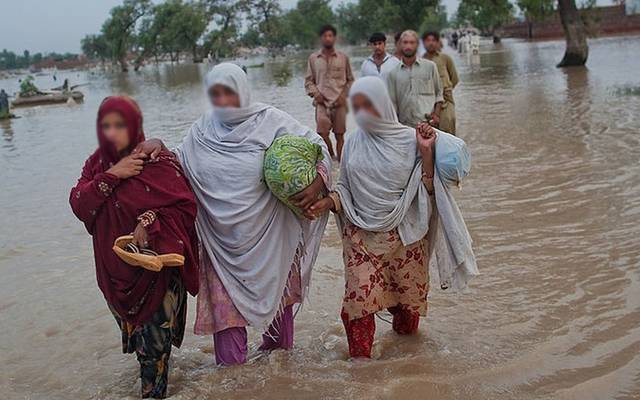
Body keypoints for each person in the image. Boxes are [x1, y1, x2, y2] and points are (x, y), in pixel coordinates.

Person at [134, 63, 332, 366]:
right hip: (220, 246)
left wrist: (319, 182)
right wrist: (159, 146)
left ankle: (281, 380)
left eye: (229, 92)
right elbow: (177, 165)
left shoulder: (271, 120)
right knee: (229, 355)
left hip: (270, 238)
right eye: (215, 93)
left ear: (242, 91)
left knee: (280, 346)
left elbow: (317, 146)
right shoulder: (201, 130)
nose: (222, 100)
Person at [69, 96, 199, 399]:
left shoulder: (158, 160)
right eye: (106, 126)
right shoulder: (97, 163)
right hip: (115, 273)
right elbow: (79, 204)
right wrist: (114, 175)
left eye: (120, 125)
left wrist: (150, 221)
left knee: (154, 351)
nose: (113, 133)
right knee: (144, 350)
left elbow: (186, 208)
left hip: (157, 275)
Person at [306, 77, 438, 358]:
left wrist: (427, 152)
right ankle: (361, 370)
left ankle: (409, 365)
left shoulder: (411, 140)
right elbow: (345, 187)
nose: (363, 111)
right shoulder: (352, 142)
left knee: (406, 307)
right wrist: (328, 202)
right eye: (357, 105)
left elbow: (427, 189)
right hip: (361, 238)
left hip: (405, 237)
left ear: (382, 103)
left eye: (369, 104)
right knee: (358, 307)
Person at [304, 24, 354, 161]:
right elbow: (308, 82)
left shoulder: (343, 58)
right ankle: (331, 158)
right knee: (322, 133)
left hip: (340, 102)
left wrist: (343, 96)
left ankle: (341, 162)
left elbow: (350, 80)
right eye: (325, 36)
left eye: (330, 35)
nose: (328, 38)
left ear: (334, 38)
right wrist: (316, 94)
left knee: (340, 135)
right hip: (322, 103)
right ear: (321, 38)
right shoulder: (314, 59)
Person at [386, 30, 443, 129]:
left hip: (428, 124)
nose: (408, 46)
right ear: (400, 45)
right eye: (405, 42)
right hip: (405, 126)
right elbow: (392, 103)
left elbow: (439, 93)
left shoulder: (430, 67)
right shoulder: (393, 73)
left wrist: (436, 116)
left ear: (417, 45)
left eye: (412, 42)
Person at [423, 31, 459, 134]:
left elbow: (454, 79)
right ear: (424, 43)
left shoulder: (445, 58)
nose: (431, 43)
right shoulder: (420, 61)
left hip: (446, 102)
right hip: (428, 104)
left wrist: (445, 90)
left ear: (438, 42)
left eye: (434, 40)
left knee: (448, 131)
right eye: (428, 40)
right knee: (430, 134)